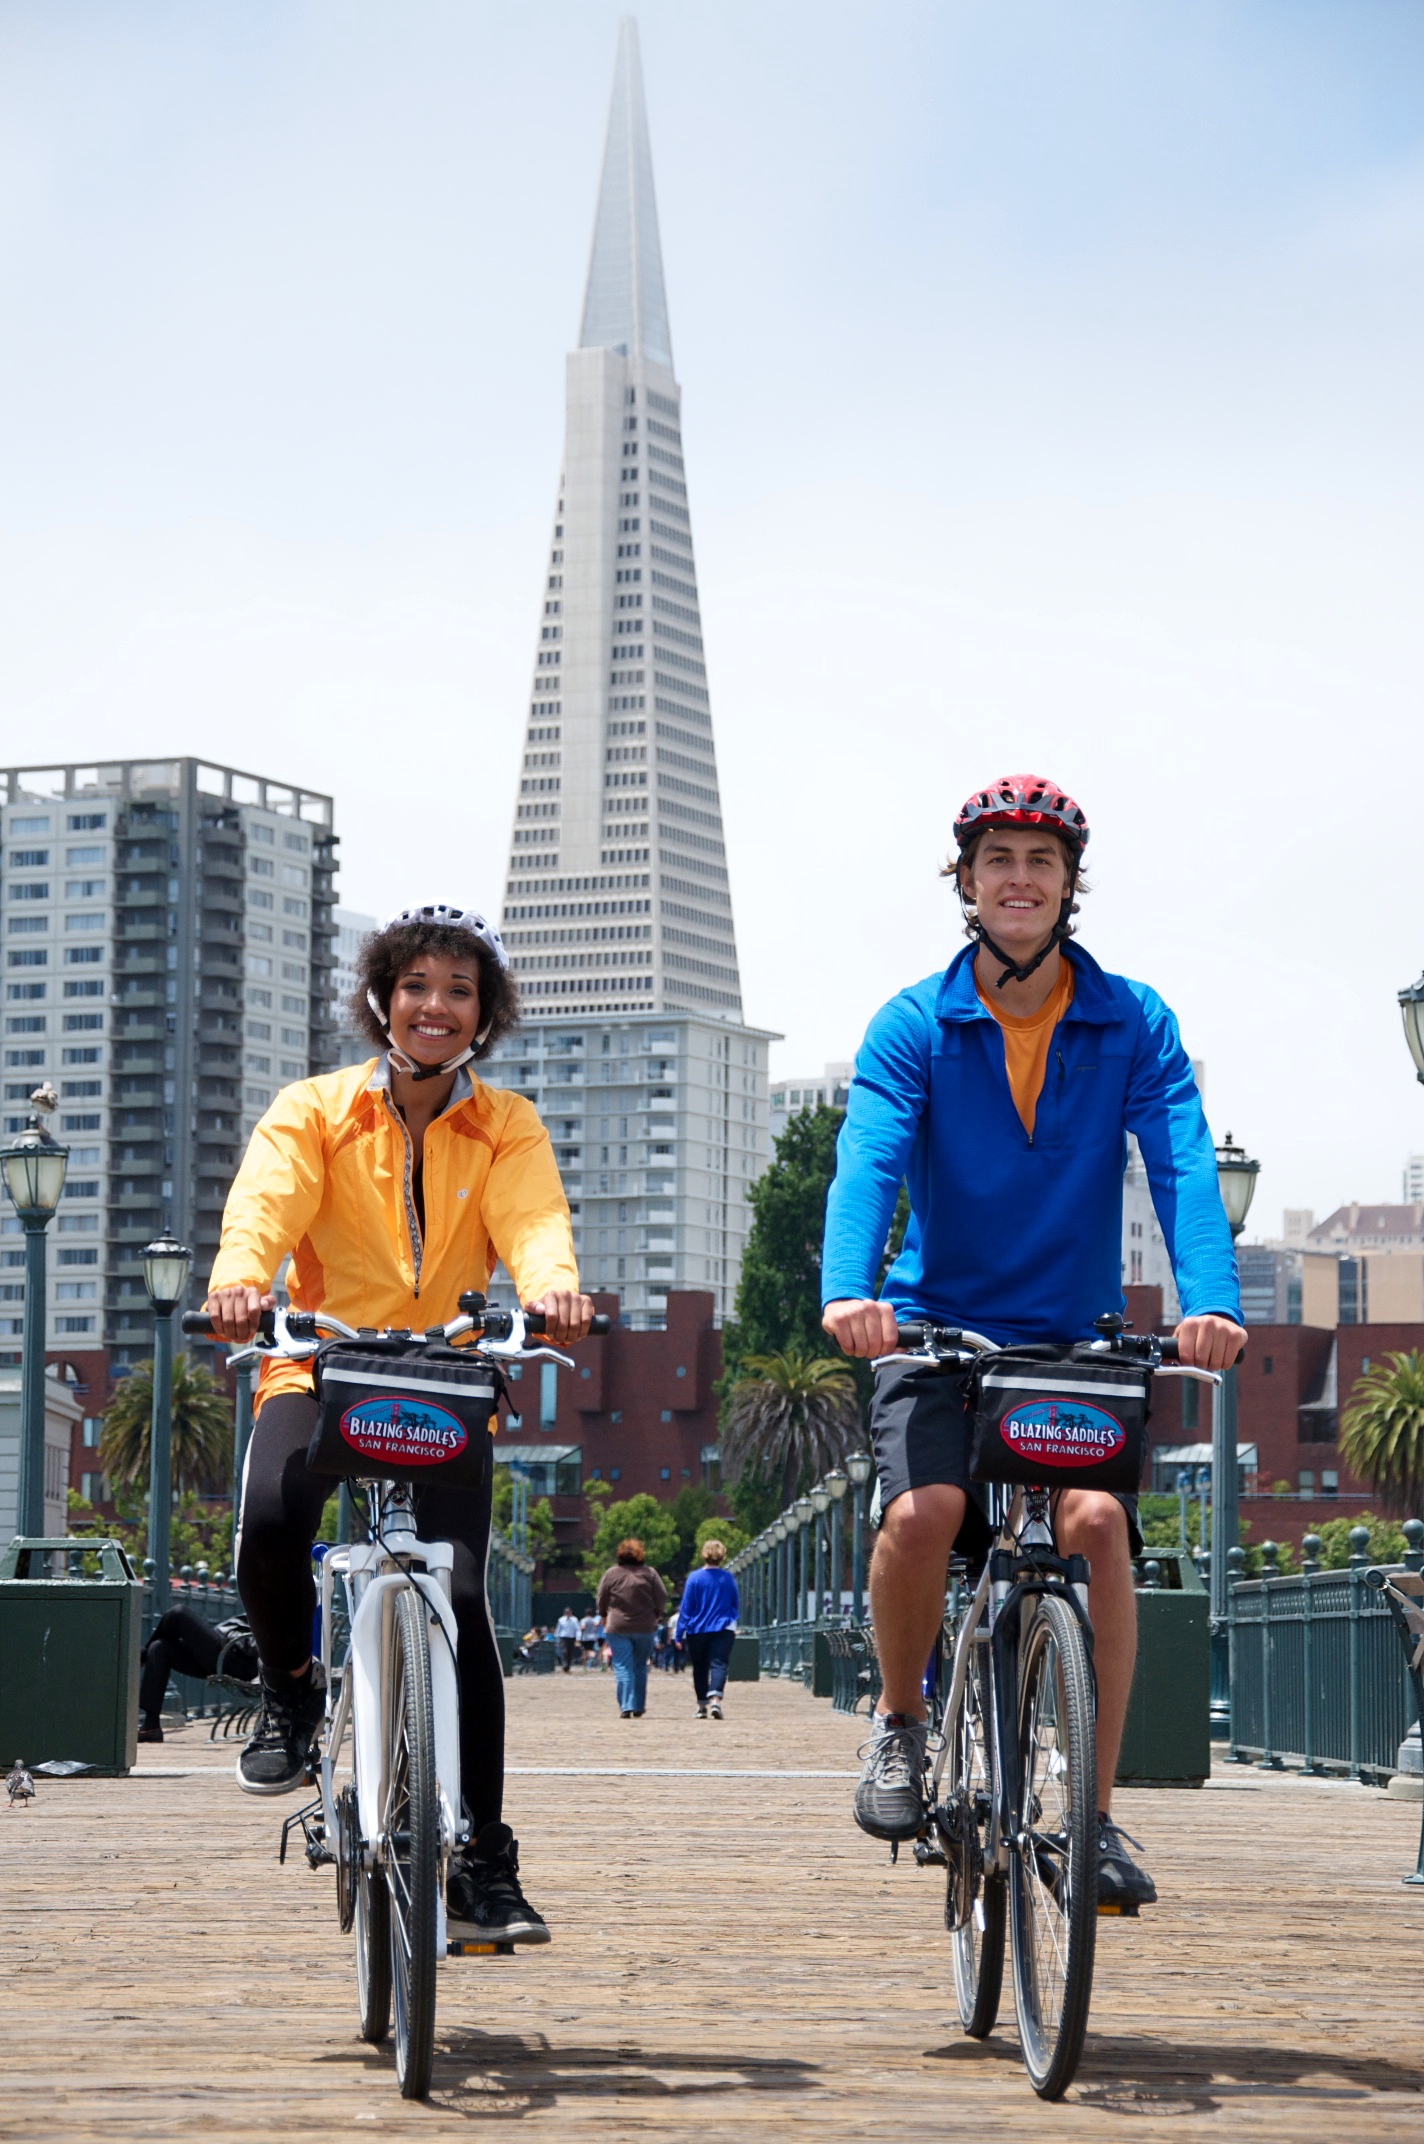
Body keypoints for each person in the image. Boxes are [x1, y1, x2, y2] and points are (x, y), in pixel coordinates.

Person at [820, 776, 1245, 1910]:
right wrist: (844, 1291)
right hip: (933, 1328)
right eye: (997, 857)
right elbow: (865, 1155)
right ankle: (900, 1722)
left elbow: (1182, 1160)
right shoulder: (913, 1020)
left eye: (1040, 861)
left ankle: (1096, 1816)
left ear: (1068, 886)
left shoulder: (1130, 1019)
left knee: (1097, 1522)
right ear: (963, 882)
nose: (1018, 877)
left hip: (1069, 1340)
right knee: (924, 1512)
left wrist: (1210, 1296)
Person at [204, 902, 594, 1946]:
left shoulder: (503, 1122)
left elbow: (534, 1221)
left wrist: (553, 1287)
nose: (436, 1006)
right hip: (321, 1360)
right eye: (417, 985)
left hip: (445, 1376)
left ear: (483, 1014)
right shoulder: (316, 1108)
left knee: (461, 1600)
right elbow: (265, 1203)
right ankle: (292, 1693)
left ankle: (483, 1857)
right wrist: (243, 1280)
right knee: (277, 1512)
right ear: (383, 996)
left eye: (459, 991)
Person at [138, 1607, 258, 1742]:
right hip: (229, 1653)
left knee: (179, 1613)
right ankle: (151, 1725)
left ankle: (141, 1656)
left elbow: (258, 1645)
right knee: (159, 1648)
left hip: (236, 1656)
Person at [595, 1537, 667, 1718]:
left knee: (622, 1666)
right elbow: (662, 1595)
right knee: (640, 1666)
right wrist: (657, 1613)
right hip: (645, 1626)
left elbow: (602, 1597)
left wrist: (604, 1614)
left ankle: (626, 1705)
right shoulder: (650, 1574)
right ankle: (638, 1705)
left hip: (618, 1626)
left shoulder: (611, 1574)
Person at [676, 1540, 740, 1720]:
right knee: (719, 1664)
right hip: (723, 1627)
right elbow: (735, 1603)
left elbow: (686, 1607)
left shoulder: (694, 1578)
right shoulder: (728, 1578)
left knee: (700, 1667)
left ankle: (701, 1705)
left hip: (697, 1629)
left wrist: (679, 1633)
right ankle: (715, 1701)